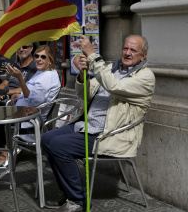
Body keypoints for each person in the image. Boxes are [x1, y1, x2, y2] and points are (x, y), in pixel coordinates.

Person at [41, 35, 156, 212]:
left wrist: (93, 56)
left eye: (133, 50)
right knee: (47, 139)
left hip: (108, 133)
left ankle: (78, 200)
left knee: (59, 146)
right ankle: (69, 192)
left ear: (143, 56)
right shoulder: (112, 68)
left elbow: (114, 87)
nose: (127, 53)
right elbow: (84, 95)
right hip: (86, 125)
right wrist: (82, 75)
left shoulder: (146, 77)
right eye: (125, 48)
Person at [0, 45, 61, 167]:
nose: (38, 59)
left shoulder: (47, 77)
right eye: (37, 56)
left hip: (28, 119)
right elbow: (31, 93)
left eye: (43, 57)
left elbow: (34, 101)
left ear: (50, 60)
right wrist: (20, 94)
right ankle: (7, 148)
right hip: (22, 110)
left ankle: (6, 150)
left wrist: (20, 79)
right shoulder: (43, 72)